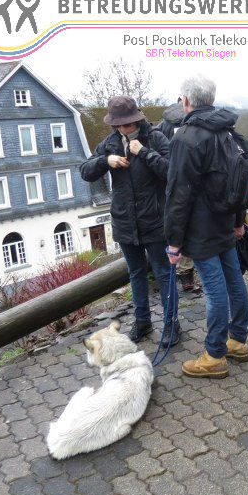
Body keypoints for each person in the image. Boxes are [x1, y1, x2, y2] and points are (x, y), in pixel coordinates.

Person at [164, 75, 248, 379]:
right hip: (225, 221)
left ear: (186, 101)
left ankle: (214, 355)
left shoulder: (185, 138)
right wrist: (238, 221)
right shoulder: (226, 131)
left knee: (215, 291)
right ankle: (237, 341)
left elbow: (178, 194)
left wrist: (174, 242)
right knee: (234, 281)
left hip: (201, 228)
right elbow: (240, 180)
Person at [80, 96, 178, 345]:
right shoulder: (110, 143)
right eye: (120, 125)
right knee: (136, 273)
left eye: (129, 124)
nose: (125, 128)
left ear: (138, 119)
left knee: (163, 273)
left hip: (154, 221)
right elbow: (85, 171)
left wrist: (144, 153)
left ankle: (171, 324)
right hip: (124, 222)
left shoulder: (155, 138)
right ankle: (143, 322)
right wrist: (106, 161)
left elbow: (172, 172)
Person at [157, 98, 197, 292]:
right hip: (190, 182)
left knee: (177, 224)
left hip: (170, 183)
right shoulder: (192, 123)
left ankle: (181, 274)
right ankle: (187, 276)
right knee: (189, 226)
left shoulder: (163, 124)